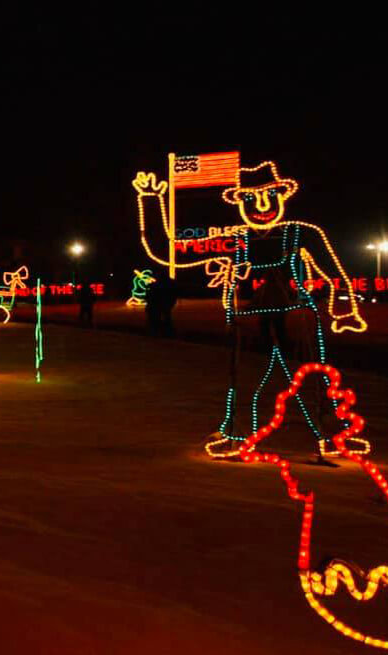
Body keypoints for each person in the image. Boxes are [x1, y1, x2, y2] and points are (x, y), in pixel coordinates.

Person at [133, 160, 367, 459]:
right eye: (249, 198)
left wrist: (344, 309)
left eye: (269, 195)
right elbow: (166, 249)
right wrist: (151, 200)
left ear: (282, 196)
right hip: (251, 320)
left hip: (294, 316)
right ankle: (236, 436)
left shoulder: (299, 232)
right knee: (244, 382)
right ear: (240, 202)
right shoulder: (235, 238)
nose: (261, 204)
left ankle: (332, 436)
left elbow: (333, 272)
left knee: (313, 379)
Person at [145, 270, 177, 336]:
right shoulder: (169, 283)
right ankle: (166, 331)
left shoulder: (158, 284)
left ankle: (158, 331)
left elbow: (151, 295)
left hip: (159, 304)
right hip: (164, 303)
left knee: (157, 318)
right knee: (165, 316)